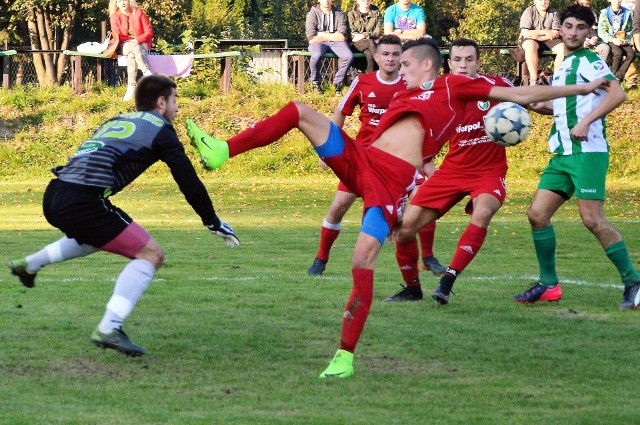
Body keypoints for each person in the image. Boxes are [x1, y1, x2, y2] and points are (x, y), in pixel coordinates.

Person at [185, 38, 610, 378]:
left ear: (427, 65)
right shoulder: (405, 94)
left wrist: (584, 89)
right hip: (360, 160)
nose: (399, 71)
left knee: (362, 258)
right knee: (299, 111)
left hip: (388, 185)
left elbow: (523, 92)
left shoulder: (453, 85)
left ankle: (344, 356)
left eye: (405, 65)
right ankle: (223, 150)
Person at [7, 75, 240, 357]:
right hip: (83, 200)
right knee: (151, 255)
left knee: (96, 237)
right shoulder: (161, 130)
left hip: (55, 193)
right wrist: (211, 219)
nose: (177, 109)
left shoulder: (117, 120)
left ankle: (28, 265)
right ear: (161, 102)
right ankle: (109, 327)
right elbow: (187, 179)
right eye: (175, 101)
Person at [513, 4, 640, 310]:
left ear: (588, 32)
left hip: (587, 153)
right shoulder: (564, 65)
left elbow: (617, 94)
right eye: (567, 26)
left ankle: (634, 283)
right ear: (561, 29)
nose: (572, 32)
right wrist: (529, 106)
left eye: (579, 28)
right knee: (537, 215)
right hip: (562, 153)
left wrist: (586, 122)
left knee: (592, 219)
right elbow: (560, 107)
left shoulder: (589, 61)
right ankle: (548, 284)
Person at [306, 35, 446, 285]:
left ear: (402, 58)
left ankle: (429, 256)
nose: (391, 59)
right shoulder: (362, 82)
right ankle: (320, 258)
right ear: (378, 57)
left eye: (396, 55)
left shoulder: (410, 85)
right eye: (386, 54)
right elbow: (340, 113)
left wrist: (426, 160)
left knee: (423, 200)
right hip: (361, 160)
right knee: (337, 208)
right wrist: (327, 152)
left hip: (398, 162)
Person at [386, 38, 514, 305]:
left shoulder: (497, 86)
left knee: (482, 212)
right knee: (404, 231)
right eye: (457, 59)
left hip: (489, 171)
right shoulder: (440, 92)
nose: (463, 64)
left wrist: (569, 105)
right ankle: (412, 289)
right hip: (451, 171)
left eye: (469, 59)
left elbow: (533, 102)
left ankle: (447, 282)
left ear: (478, 62)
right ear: (449, 63)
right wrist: (426, 164)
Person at [109, 0, 153, 101]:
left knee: (133, 54)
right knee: (134, 47)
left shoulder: (138, 12)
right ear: (116, 4)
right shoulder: (114, 17)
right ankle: (146, 72)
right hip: (124, 45)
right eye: (120, 1)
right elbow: (118, 36)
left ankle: (131, 87)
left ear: (129, 1)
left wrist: (138, 40)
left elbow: (149, 32)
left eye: (125, 0)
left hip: (142, 43)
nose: (123, 3)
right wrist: (133, 41)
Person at [305, 0, 354, 91]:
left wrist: (321, 34)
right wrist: (334, 36)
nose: (326, 1)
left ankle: (337, 83)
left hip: (337, 43)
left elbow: (342, 36)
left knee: (349, 56)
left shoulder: (339, 13)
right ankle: (315, 83)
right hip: (318, 43)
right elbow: (311, 38)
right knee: (316, 55)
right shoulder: (312, 14)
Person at [519, 0, 566, 85]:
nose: (543, 2)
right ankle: (534, 80)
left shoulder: (554, 12)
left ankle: (557, 80)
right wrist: (545, 32)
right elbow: (526, 33)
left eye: (546, 0)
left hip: (548, 39)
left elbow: (555, 32)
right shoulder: (528, 12)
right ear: (535, 1)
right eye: (540, 0)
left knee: (563, 48)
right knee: (530, 45)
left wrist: (539, 37)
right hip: (530, 39)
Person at [598, 0, 635, 82]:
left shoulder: (627, 12)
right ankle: (612, 77)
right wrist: (612, 40)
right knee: (618, 53)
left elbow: (629, 29)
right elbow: (602, 31)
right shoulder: (605, 13)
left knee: (631, 54)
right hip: (611, 39)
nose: (618, 0)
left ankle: (617, 76)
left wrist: (627, 40)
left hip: (622, 39)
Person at [347, 0, 383, 73]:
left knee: (368, 53)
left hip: (372, 46)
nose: (366, 0)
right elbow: (352, 35)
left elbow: (377, 33)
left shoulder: (377, 13)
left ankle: (370, 80)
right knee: (369, 42)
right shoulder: (351, 14)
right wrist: (370, 35)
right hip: (356, 45)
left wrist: (363, 35)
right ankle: (383, 68)